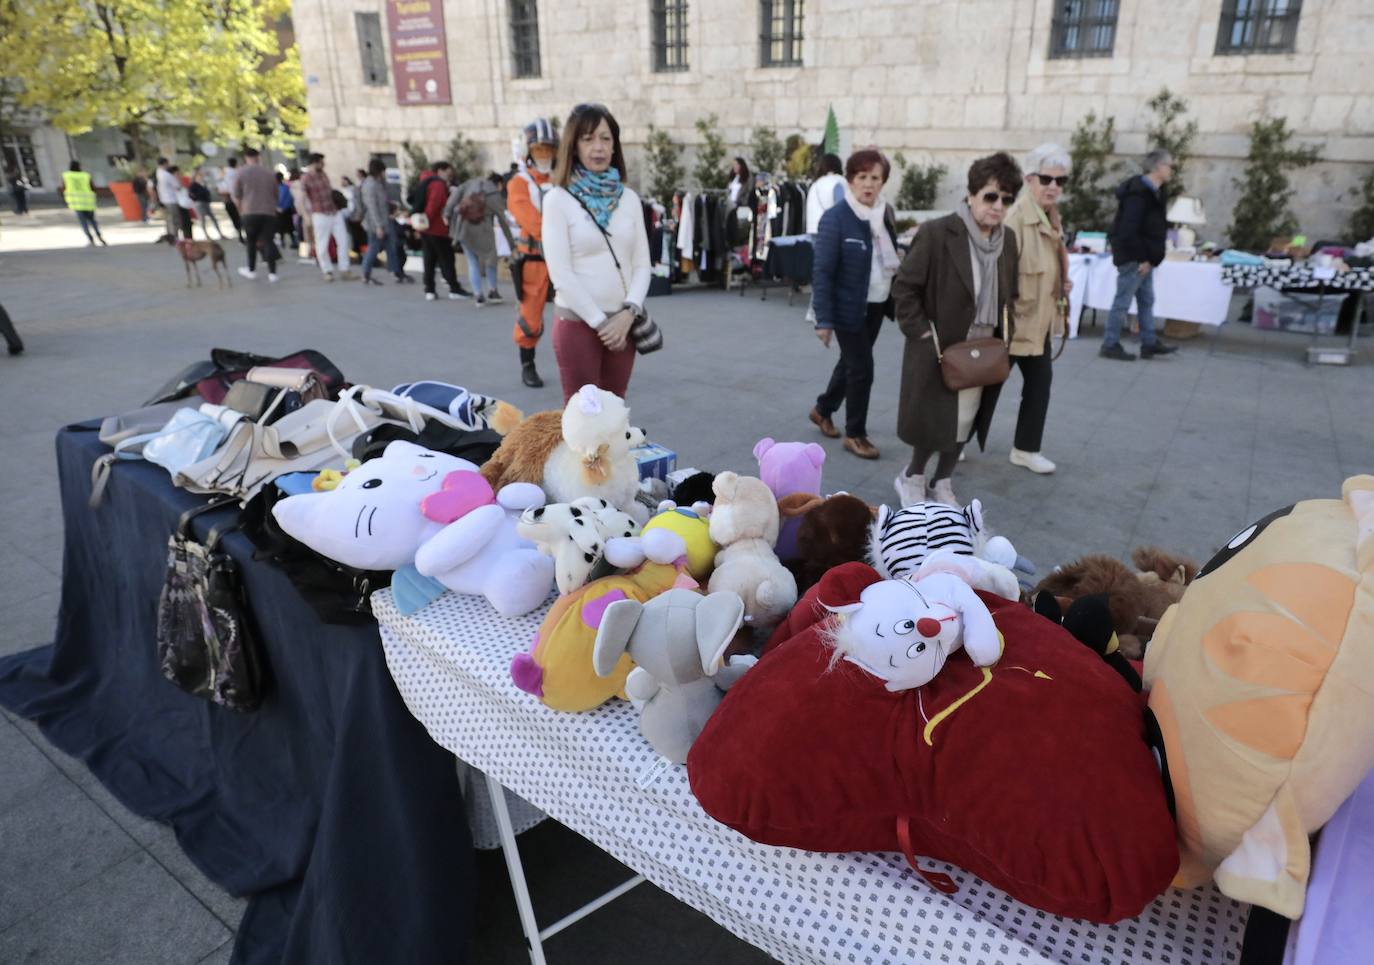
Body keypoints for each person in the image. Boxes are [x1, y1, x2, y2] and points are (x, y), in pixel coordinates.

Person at [891, 152, 1023, 508]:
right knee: (935, 416)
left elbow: (1010, 292)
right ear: (972, 194)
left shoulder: (1007, 240)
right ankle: (913, 476)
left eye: (1007, 199)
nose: (998, 206)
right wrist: (921, 333)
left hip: (987, 345)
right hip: (941, 344)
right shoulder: (938, 232)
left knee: (969, 417)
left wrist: (1010, 331)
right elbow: (904, 287)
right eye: (991, 196)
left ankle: (942, 480)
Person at [542, 103, 651, 403]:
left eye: (605, 138)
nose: (598, 147)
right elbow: (561, 274)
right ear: (573, 146)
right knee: (582, 416)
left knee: (614, 410)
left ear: (615, 145)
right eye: (588, 139)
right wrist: (601, 323)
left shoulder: (629, 199)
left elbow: (642, 264)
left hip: (624, 323)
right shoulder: (557, 200)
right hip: (578, 323)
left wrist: (629, 313)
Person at [809, 148, 900, 461]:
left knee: (850, 362)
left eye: (875, 177)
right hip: (848, 306)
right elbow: (822, 272)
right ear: (850, 180)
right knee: (862, 368)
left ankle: (823, 409)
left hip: (876, 303)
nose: (868, 184)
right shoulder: (836, 219)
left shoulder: (884, 213)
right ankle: (856, 434)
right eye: (862, 177)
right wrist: (824, 320)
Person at [1004, 143, 1073, 475]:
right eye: (1046, 178)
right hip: (1013, 322)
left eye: (1061, 181)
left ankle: (1026, 449)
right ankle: (954, 444)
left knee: (1040, 386)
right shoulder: (1016, 218)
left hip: (1041, 323)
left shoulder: (1053, 217)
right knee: (982, 387)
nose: (1053, 187)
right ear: (1029, 179)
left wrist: (1062, 284)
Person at [1101, 149, 1178, 362]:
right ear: (1158, 167)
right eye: (1169, 165)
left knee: (1146, 300)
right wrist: (1143, 258)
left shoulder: (1155, 192)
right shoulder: (1138, 194)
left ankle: (1149, 342)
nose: (1172, 170)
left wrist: (1151, 259)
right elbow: (1128, 229)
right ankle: (1110, 343)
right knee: (1123, 301)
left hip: (1145, 257)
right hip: (1134, 257)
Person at [508, 117, 559, 387]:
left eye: (548, 150)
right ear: (528, 152)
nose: (544, 156)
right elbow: (532, 221)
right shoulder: (519, 183)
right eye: (539, 150)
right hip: (535, 261)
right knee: (531, 317)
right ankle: (528, 365)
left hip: (563, 259)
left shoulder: (562, 179)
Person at [447, 171, 515, 307]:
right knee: (491, 260)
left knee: (472, 262)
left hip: (464, 228)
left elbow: (455, 196)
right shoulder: (494, 194)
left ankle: (478, 295)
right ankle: (493, 291)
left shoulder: (471, 184)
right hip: (484, 231)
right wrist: (512, 245)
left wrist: (447, 213)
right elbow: (503, 222)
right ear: (499, 184)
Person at [804, 153, 847, 324]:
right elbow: (841, 207)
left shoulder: (816, 184)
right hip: (832, 230)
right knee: (834, 270)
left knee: (821, 270)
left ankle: (814, 309)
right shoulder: (839, 182)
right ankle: (820, 309)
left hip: (815, 229)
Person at [418, 161, 468, 301]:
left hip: (426, 228)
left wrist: (423, 223)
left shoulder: (425, 181)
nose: (450, 176)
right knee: (447, 258)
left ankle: (429, 290)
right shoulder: (438, 184)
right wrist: (428, 219)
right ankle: (454, 288)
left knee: (429, 259)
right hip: (438, 228)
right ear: (440, 170)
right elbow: (434, 204)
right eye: (448, 172)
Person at [300, 153, 353, 281]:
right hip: (319, 214)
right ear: (315, 162)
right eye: (321, 162)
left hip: (334, 212)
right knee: (322, 244)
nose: (324, 164)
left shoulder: (323, 175)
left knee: (343, 241)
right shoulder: (306, 178)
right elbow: (301, 198)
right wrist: (306, 215)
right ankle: (327, 270)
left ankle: (344, 269)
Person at [234, 148, 282, 282]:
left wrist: (240, 211)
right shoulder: (268, 173)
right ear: (258, 157)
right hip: (268, 212)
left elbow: (237, 195)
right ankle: (273, 273)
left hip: (250, 211)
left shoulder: (241, 172)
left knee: (251, 242)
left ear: (246, 157)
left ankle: (251, 270)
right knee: (268, 241)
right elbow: (276, 194)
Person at [359, 159, 391, 285]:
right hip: (375, 223)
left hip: (382, 221)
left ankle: (395, 270)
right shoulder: (370, 185)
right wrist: (379, 226)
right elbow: (372, 207)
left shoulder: (378, 183)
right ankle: (365, 273)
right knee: (373, 247)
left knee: (385, 246)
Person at [62, 160, 107, 247]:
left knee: (83, 223)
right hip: (88, 202)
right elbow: (93, 187)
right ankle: (99, 236)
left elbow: (64, 187)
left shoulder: (67, 176)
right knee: (93, 221)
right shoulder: (85, 175)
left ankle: (90, 239)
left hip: (77, 203)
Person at [189, 171, 225, 240]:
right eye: (199, 176)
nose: (200, 178)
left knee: (213, 218)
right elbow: (191, 195)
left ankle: (220, 233)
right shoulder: (193, 185)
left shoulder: (203, 184)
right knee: (202, 219)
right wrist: (197, 198)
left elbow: (207, 193)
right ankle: (206, 235)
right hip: (199, 203)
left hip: (206, 202)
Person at [155, 157, 182, 243]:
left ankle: (169, 235)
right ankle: (174, 237)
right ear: (165, 164)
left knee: (168, 219)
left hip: (163, 199)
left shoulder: (158, 173)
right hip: (171, 199)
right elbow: (178, 186)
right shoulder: (167, 175)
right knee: (175, 219)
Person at [218, 157, 244, 242]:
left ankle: (240, 234)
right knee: (241, 216)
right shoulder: (238, 173)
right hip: (239, 198)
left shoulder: (224, 174)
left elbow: (220, 188)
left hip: (228, 199)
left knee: (234, 217)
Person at [275, 170, 297, 249]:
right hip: (287, 211)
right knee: (290, 227)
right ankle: (293, 241)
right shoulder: (286, 187)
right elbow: (290, 199)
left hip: (279, 211)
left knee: (281, 227)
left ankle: (282, 241)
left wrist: (277, 208)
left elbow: (275, 200)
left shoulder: (275, 188)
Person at [172, 167, 195, 239]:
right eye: (177, 174)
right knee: (184, 222)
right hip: (179, 204)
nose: (179, 175)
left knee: (188, 222)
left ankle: (189, 237)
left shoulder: (183, 181)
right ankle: (186, 238)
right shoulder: (173, 183)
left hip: (186, 204)